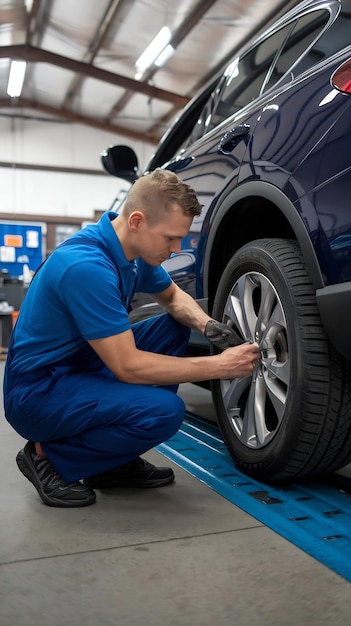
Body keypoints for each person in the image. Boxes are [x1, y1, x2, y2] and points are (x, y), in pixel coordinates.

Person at [3, 169, 261, 508]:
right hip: (38, 393)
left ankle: (110, 462)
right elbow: (128, 368)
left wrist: (208, 325)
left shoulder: (131, 252)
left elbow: (172, 297)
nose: (176, 248)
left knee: (173, 325)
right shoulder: (86, 267)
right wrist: (218, 366)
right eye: (170, 239)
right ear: (137, 221)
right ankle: (45, 455)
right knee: (165, 412)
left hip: (78, 365)